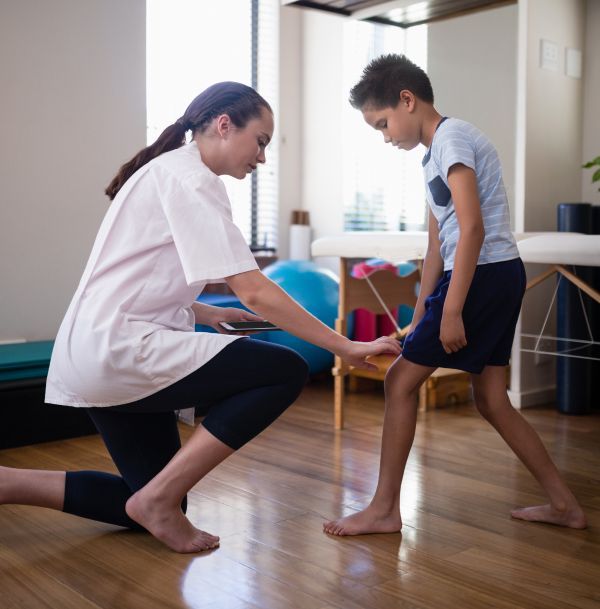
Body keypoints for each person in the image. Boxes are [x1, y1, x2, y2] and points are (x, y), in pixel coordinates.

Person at [0, 82, 401, 554]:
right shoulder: (191, 179)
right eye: (262, 141)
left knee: (143, 502)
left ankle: (9, 484)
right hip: (120, 350)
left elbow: (141, 274)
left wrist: (204, 313)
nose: (263, 158)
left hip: (96, 349)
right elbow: (253, 290)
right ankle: (161, 497)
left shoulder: (165, 172)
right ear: (224, 125)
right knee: (284, 371)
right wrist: (345, 346)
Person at [323, 55, 587, 536]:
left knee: (399, 382)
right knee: (491, 397)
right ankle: (565, 505)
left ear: (408, 99)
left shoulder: (452, 139)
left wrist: (453, 310)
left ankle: (384, 509)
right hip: (493, 274)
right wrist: (426, 304)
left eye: (383, 123)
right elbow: (436, 243)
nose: (384, 136)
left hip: (484, 275)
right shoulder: (432, 155)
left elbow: (471, 228)